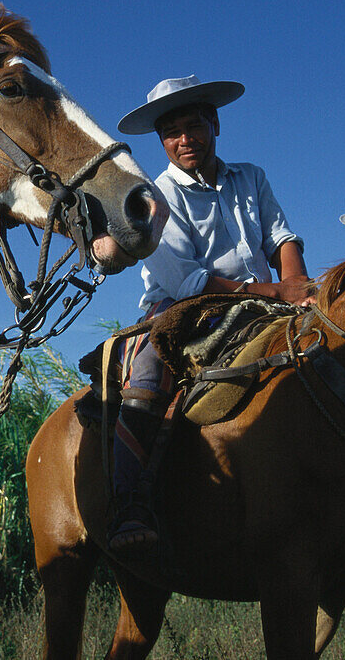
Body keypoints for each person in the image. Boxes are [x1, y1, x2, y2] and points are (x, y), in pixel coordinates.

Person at [108, 75, 314, 556]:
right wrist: (275, 291)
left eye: (193, 125)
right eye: (172, 132)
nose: (185, 139)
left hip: (268, 300)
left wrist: (299, 288)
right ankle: (129, 498)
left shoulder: (251, 177)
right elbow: (187, 282)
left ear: (214, 123)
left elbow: (282, 238)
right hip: (187, 308)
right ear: (161, 142)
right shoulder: (154, 198)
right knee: (150, 367)